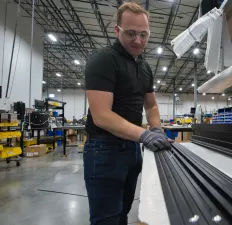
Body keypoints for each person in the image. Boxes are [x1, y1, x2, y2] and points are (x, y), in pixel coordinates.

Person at [83, 2, 172, 224]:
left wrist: (157, 129)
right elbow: (101, 115)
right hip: (105, 149)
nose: (139, 41)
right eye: (131, 33)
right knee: (108, 218)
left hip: (132, 149)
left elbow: (150, 105)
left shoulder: (144, 66)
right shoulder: (104, 60)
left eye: (144, 34)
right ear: (117, 30)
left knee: (124, 210)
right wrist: (144, 135)